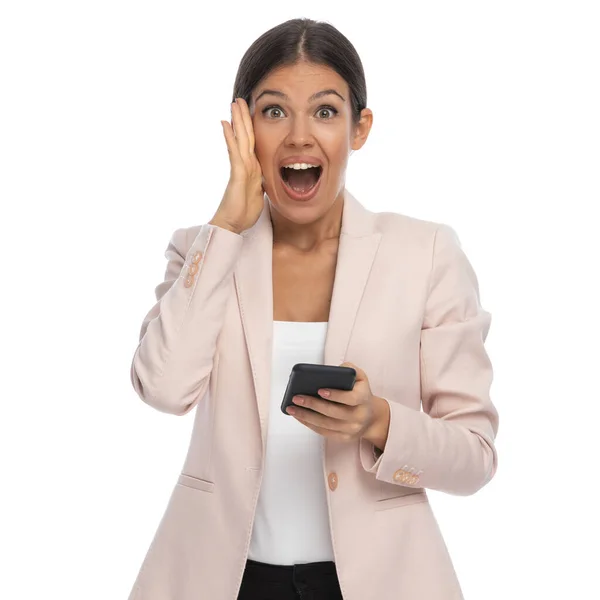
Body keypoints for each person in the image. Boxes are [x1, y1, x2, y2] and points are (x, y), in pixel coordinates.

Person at [127, 17, 499, 600]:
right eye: (274, 112)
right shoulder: (202, 250)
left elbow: (474, 457)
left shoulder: (424, 255)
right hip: (223, 580)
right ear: (243, 128)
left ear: (360, 127)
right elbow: (164, 388)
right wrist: (226, 224)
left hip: (380, 584)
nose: (300, 136)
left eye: (325, 111)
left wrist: (378, 422)